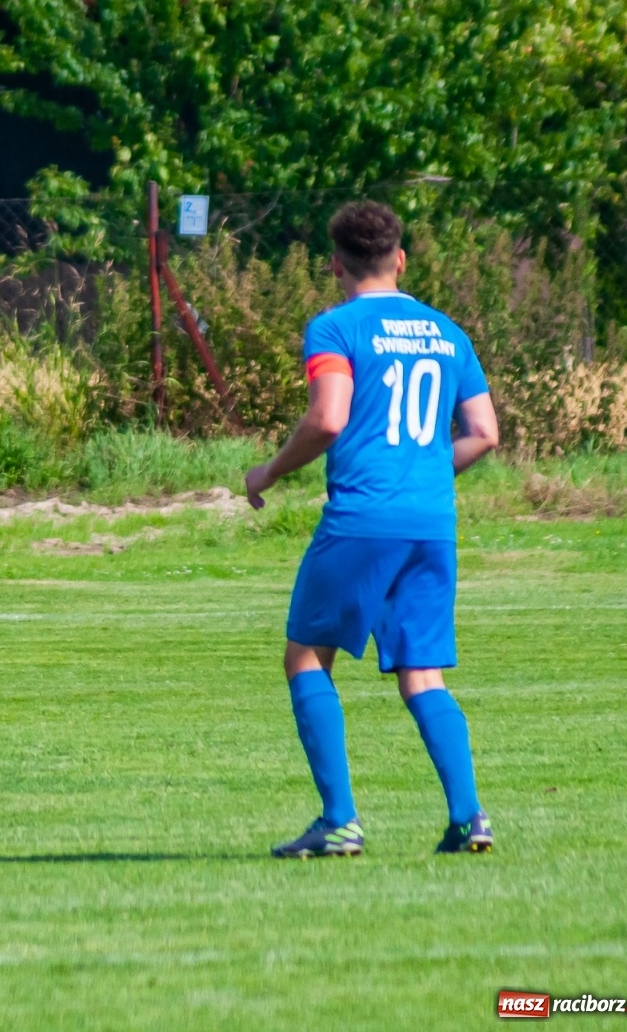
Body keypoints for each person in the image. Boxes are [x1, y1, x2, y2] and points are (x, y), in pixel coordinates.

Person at [246, 201, 500, 858]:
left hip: (363, 517)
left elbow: (328, 419)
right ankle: (470, 816)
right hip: (432, 522)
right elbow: (485, 433)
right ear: (401, 259)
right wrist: (424, 471)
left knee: (306, 656)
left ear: (336, 265)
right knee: (422, 672)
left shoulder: (336, 328)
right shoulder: (448, 332)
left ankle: (339, 821)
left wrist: (268, 473)